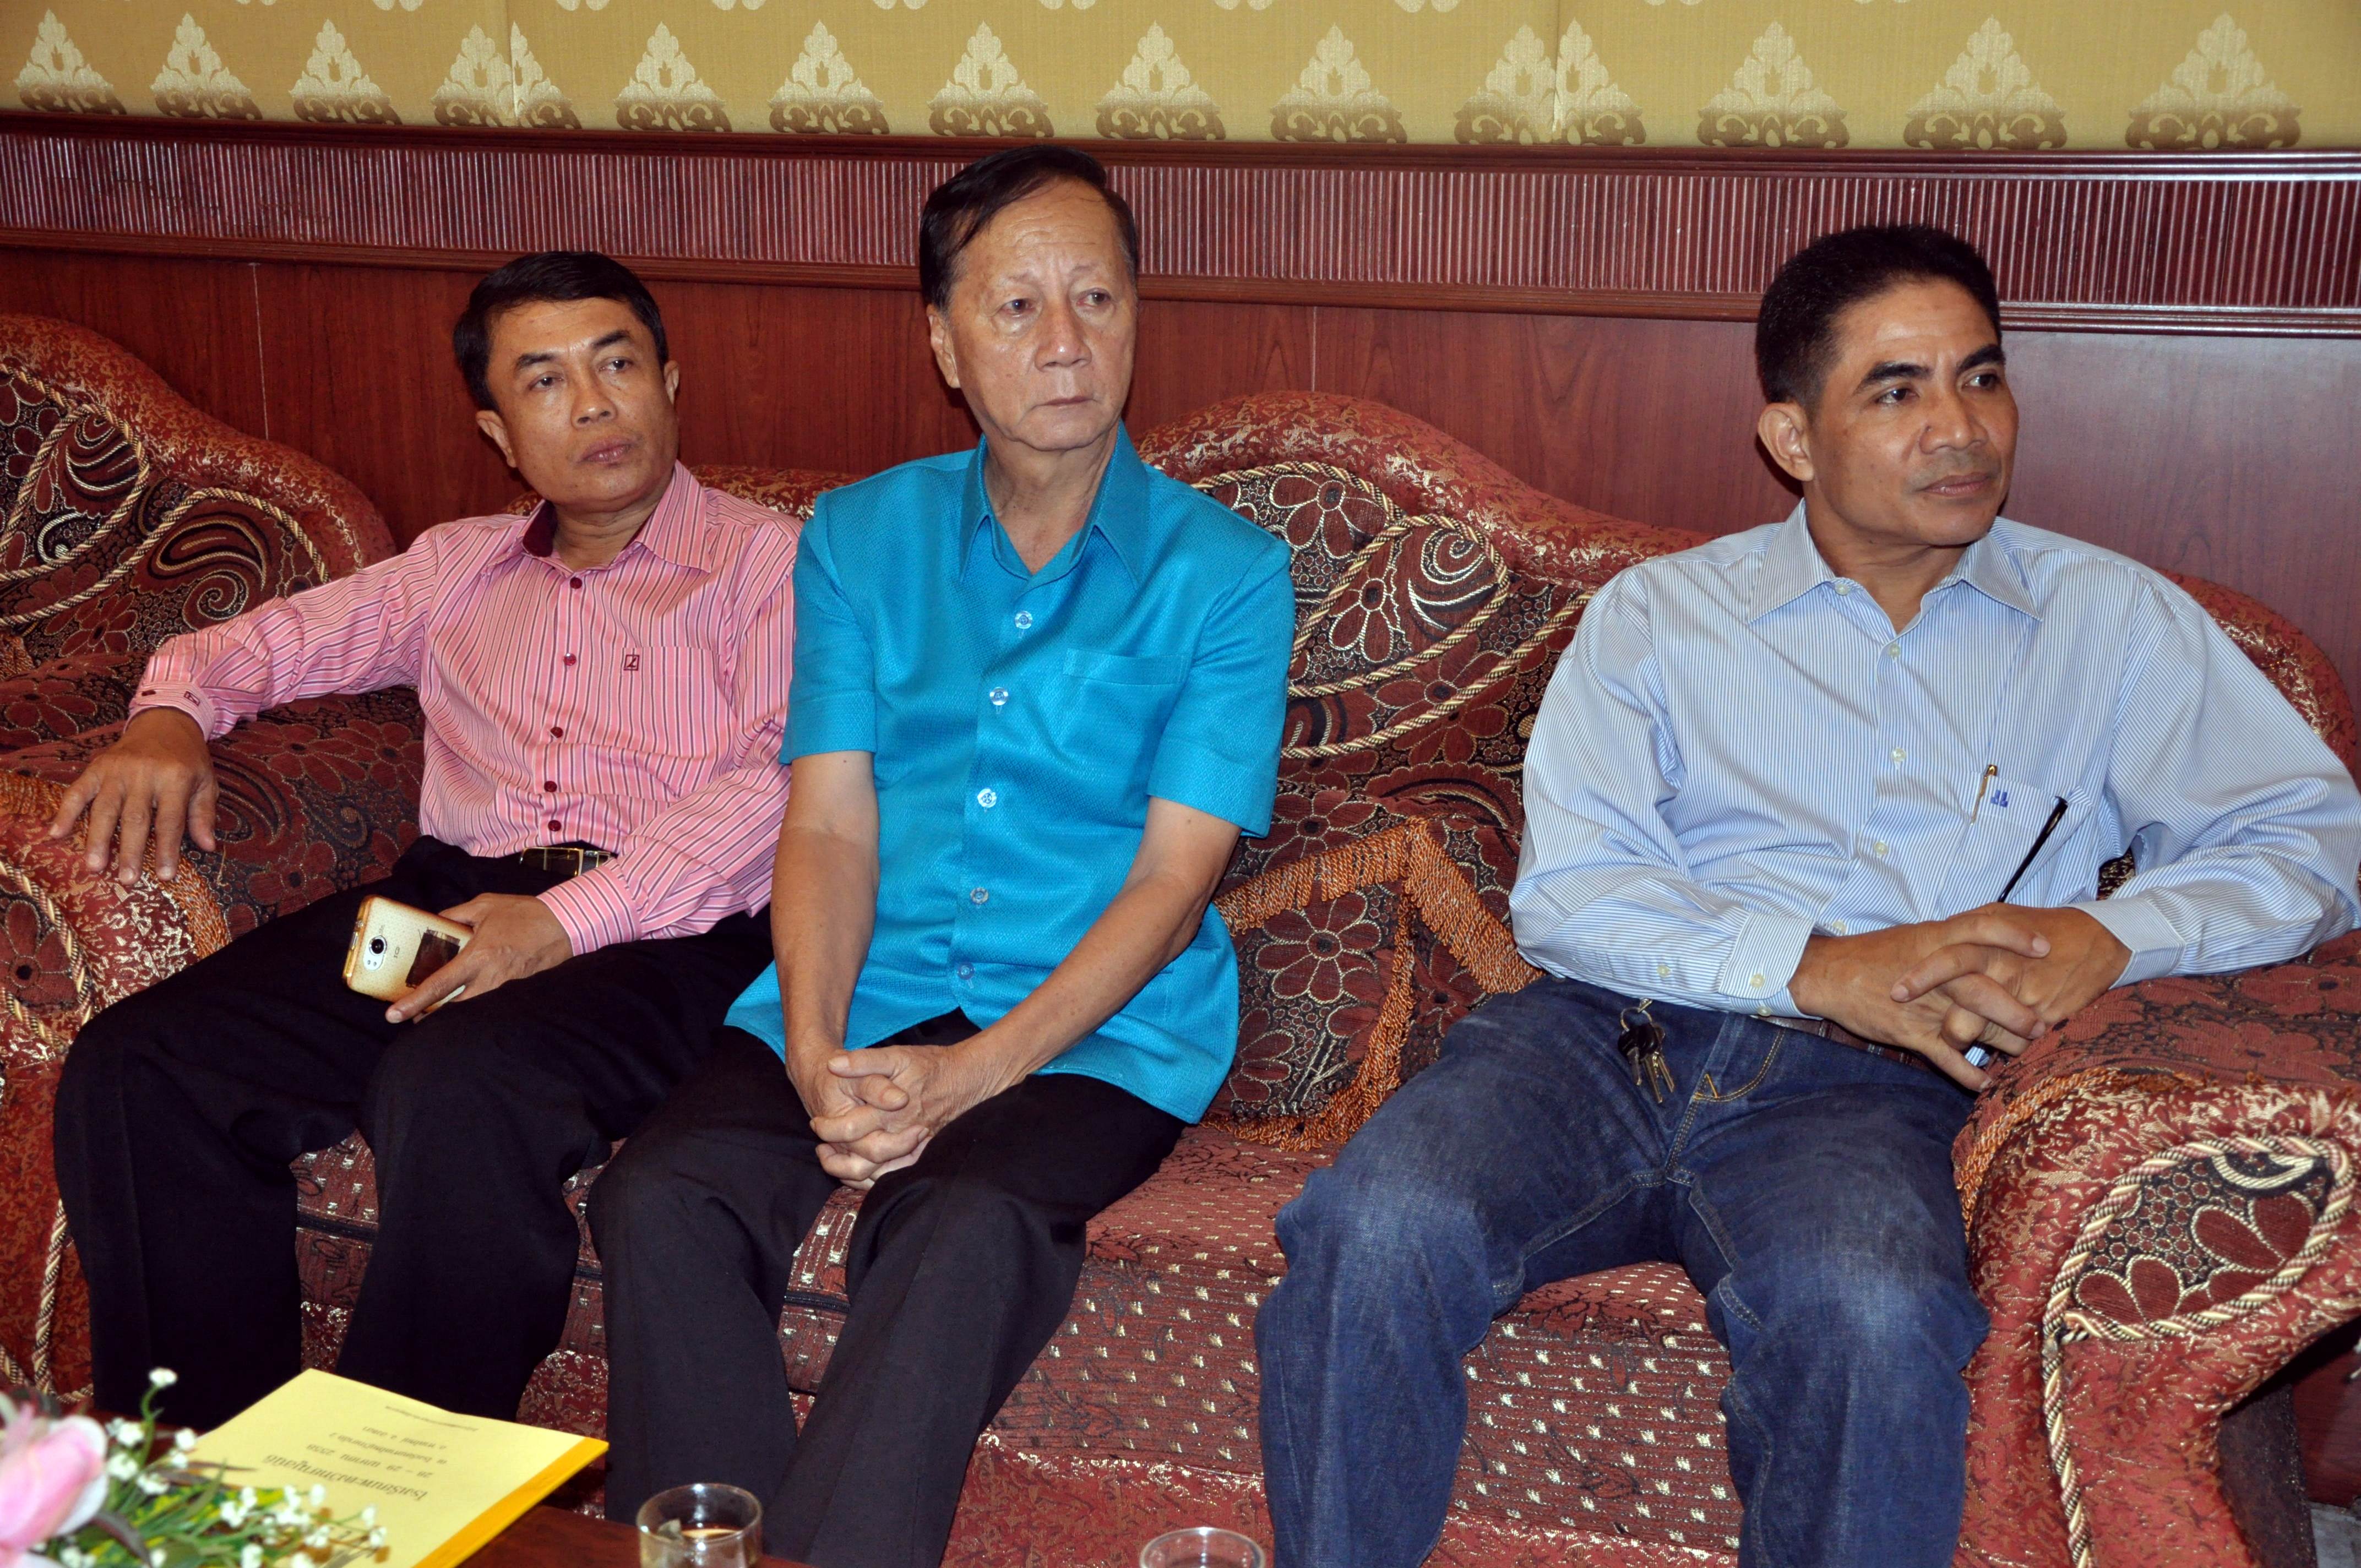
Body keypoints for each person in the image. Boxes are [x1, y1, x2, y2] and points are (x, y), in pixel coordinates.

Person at [1254, 224, 2361, 1568]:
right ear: (1790, 437)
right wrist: (1816, 962)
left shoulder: (2109, 624)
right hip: (1600, 1039)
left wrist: (2110, 932)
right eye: (1895, 391)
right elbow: (1574, 893)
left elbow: (2309, 840)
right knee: (1371, 1228)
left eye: (1980, 376)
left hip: (1869, 1095)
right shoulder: (1660, 617)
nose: (1958, 428)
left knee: (1872, 1314)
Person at [587, 144, 1295, 1568]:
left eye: (1097, 298)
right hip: (873, 979)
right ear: (943, 342)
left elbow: (1173, 888)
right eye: (1017, 305)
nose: (1065, 342)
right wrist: (810, 1052)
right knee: (661, 1192)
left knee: (960, 1217)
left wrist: (973, 1076)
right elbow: (828, 821)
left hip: (1097, 1030)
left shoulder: (1226, 574)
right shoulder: (859, 538)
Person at [50, 251, 798, 1431]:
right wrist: (169, 715)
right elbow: (268, 643)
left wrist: (560, 923)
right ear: (500, 433)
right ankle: (206, 1481)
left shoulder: (774, 566)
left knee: (461, 1081)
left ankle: (389, 1491)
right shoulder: (455, 566)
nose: (593, 404)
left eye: (616, 365)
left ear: (669, 384)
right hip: (444, 907)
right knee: (143, 1065)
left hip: (671, 934)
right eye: (545, 381)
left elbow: (781, 783)